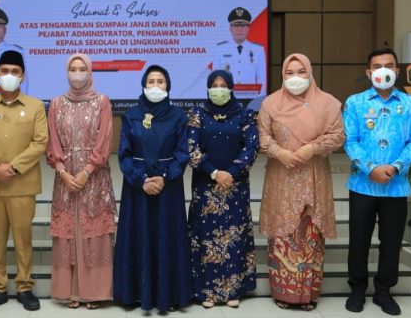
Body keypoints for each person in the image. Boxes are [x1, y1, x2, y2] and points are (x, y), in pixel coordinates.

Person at [257, 53, 345, 311]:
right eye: (289, 73)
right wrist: (280, 153)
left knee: (310, 236)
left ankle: (308, 294)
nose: (295, 78)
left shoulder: (327, 103)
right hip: (281, 177)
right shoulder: (270, 104)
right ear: (282, 76)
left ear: (310, 73)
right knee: (283, 235)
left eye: (301, 72)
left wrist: (313, 148)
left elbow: (338, 135)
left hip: (314, 176)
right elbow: (263, 137)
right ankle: (283, 292)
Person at [343, 47, 411, 316]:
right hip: (363, 184)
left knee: (391, 241)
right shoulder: (355, 102)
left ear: (397, 71)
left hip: (396, 185)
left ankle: (383, 292)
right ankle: (357, 289)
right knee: (359, 240)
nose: (383, 71)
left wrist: (395, 166)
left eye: (388, 65)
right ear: (369, 73)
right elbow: (349, 140)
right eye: (377, 66)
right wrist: (370, 168)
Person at [0, 50, 48, 312]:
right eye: (5, 71)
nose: (9, 76)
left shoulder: (35, 106)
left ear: (23, 76)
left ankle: (25, 287)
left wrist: (13, 168)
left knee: (23, 239)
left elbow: (40, 142)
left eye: (15, 72)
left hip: (21, 184)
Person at [113, 65, 192, 312]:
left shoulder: (178, 116)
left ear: (167, 86)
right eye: (151, 82)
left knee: (166, 237)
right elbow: (124, 155)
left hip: (168, 189)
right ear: (143, 86)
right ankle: (136, 294)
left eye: (160, 81)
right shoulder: (131, 115)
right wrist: (141, 180)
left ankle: (169, 294)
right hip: (137, 189)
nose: (155, 86)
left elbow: (182, 154)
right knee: (139, 235)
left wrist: (164, 177)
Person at [46, 53, 116, 310]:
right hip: (65, 177)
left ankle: (93, 291)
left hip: (94, 177)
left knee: (93, 229)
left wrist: (87, 170)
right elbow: (52, 140)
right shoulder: (56, 103)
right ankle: (70, 290)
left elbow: (105, 139)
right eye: (73, 69)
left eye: (82, 68)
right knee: (69, 231)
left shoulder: (102, 102)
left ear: (90, 72)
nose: (77, 73)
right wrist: (63, 171)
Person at [187, 69, 259, 309]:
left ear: (231, 87)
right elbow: (191, 147)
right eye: (214, 84)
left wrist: (233, 173)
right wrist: (214, 172)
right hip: (206, 186)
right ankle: (206, 291)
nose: (219, 89)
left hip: (235, 187)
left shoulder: (245, 115)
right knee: (205, 238)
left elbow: (251, 148)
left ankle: (233, 290)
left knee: (234, 238)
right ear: (208, 88)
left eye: (223, 84)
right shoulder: (197, 114)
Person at [213, 7, 267, 98]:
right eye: (236, 26)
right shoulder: (220, 49)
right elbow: (215, 79)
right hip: (227, 100)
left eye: (243, 26)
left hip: (250, 100)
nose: (239, 29)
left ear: (248, 28)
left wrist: (258, 103)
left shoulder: (258, 50)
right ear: (230, 28)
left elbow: (262, 80)